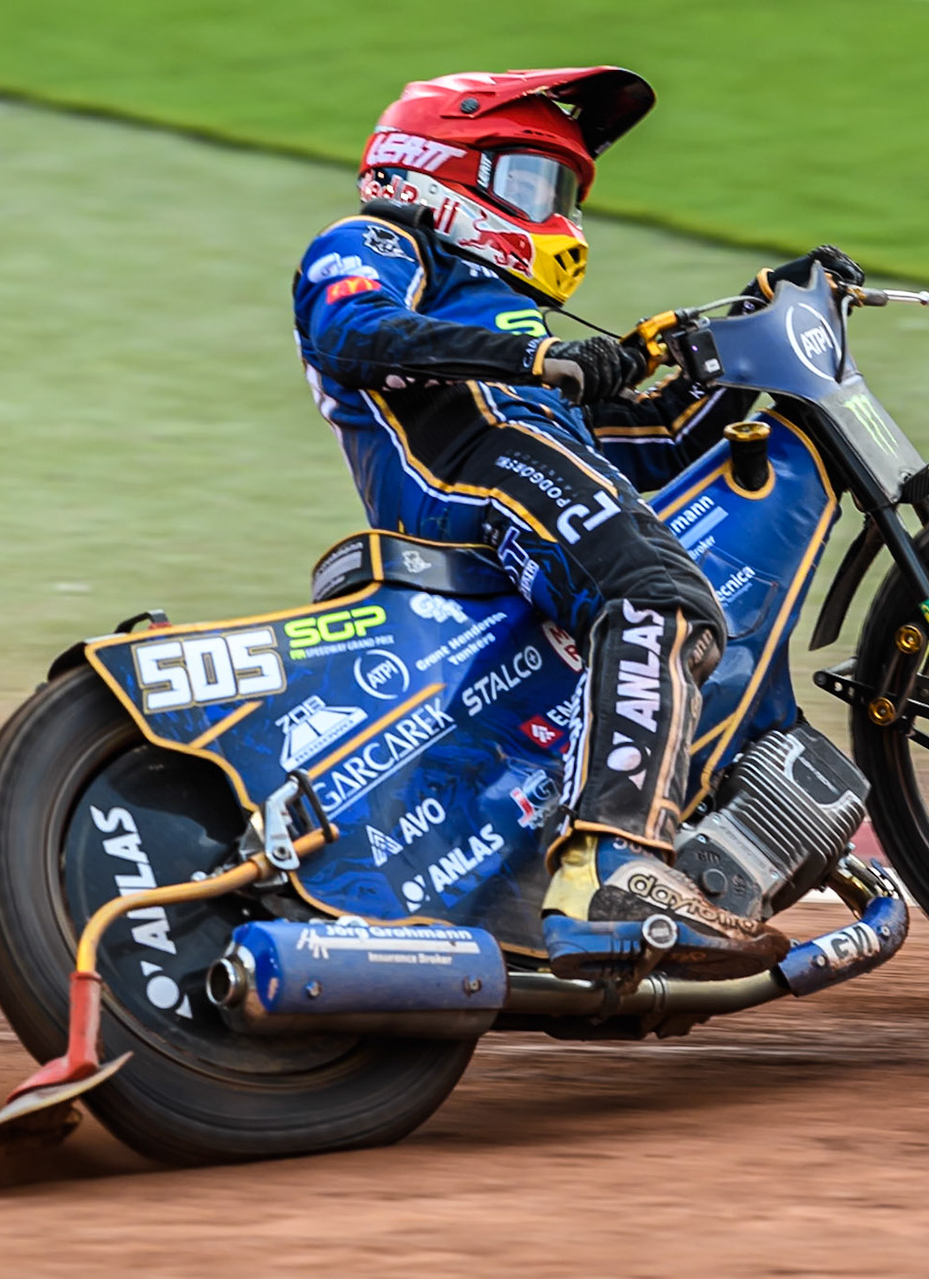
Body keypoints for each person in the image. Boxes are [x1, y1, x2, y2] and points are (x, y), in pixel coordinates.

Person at [292, 67, 863, 980]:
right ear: (433, 170)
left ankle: (665, 839)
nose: (555, 215)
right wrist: (542, 358)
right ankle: (610, 866)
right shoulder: (379, 238)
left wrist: (758, 334)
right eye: (531, 183)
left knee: (670, 591)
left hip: (519, 463)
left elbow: (649, 444)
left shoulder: (511, 335)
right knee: (658, 594)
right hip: (467, 475)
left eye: (564, 194)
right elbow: (351, 331)